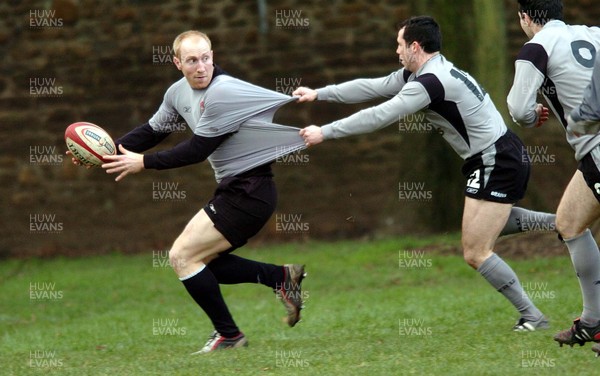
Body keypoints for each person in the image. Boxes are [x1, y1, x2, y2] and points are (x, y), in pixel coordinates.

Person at [294, 16, 554, 331]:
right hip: (496, 156)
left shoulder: (429, 83)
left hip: (496, 160)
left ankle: (533, 317)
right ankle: (562, 223)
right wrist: (319, 93)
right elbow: (372, 87)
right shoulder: (426, 71)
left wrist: (326, 131)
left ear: (415, 46)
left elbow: (381, 114)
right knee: (487, 227)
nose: (397, 51)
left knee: (475, 251)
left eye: (400, 45)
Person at [70, 31, 308, 354]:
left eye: (206, 58)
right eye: (192, 60)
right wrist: (104, 152)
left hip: (250, 192)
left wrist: (144, 163)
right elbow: (154, 130)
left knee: (182, 256)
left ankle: (230, 335)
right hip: (238, 190)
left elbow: (197, 149)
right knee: (203, 261)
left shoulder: (223, 93)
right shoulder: (177, 93)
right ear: (177, 63)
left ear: (213, 56)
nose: (201, 67)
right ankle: (281, 277)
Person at [507, 0, 600, 352]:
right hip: (591, 153)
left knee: (572, 224)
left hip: (597, 147)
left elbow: (518, 108)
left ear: (525, 17)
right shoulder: (592, 34)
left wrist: (532, 116)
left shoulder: (537, 47)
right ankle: (593, 322)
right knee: (570, 222)